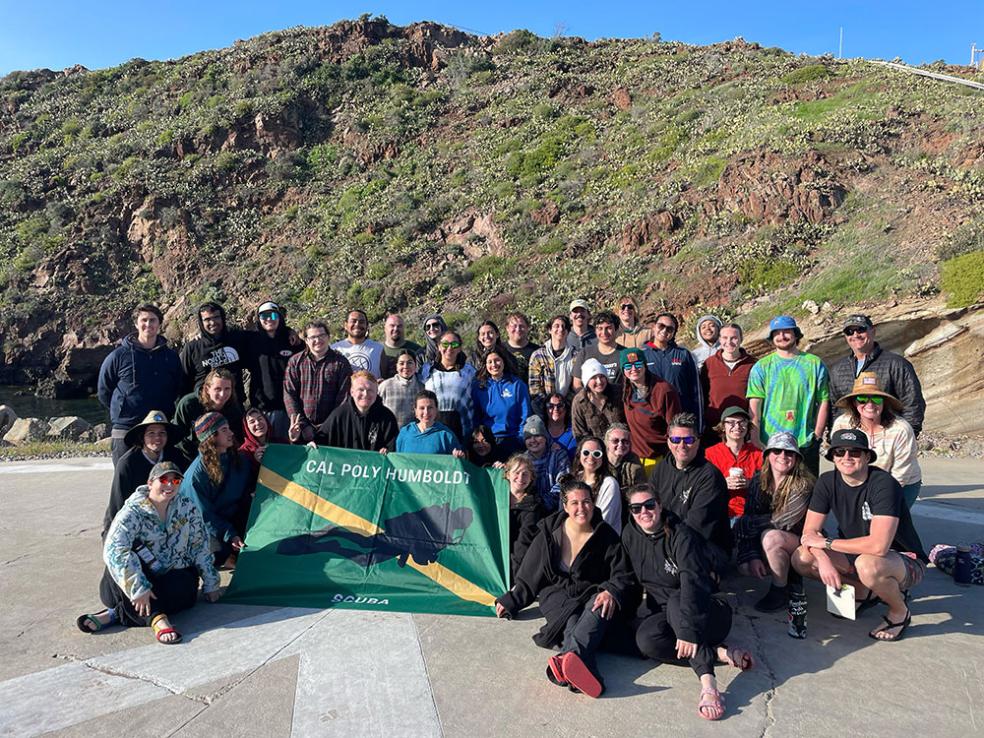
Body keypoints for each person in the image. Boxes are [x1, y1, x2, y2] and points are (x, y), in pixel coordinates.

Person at [622, 486, 754, 721]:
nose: (644, 511)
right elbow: (627, 578)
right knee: (646, 640)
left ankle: (708, 684)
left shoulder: (680, 535)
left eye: (650, 505)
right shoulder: (630, 535)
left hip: (708, 610)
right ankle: (718, 652)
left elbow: (693, 583)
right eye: (636, 508)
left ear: (660, 506)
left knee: (677, 599)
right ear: (630, 512)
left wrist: (688, 631)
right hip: (667, 615)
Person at [495, 480, 632, 699]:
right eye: (575, 503)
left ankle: (567, 661)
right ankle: (580, 663)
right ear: (565, 506)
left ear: (593, 503)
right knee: (572, 619)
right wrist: (513, 599)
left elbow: (622, 573)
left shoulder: (605, 535)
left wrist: (611, 590)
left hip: (590, 593)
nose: (581, 508)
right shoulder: (550, 531)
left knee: (599, 604)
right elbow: (532, 570)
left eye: (586, 501)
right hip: (555, 593)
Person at [792, 429, 928, 642]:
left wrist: (827, 543)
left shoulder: (884, 484)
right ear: (833, 457)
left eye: (855, 452)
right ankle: (863, 591)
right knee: (802, 558)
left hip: (904, 560)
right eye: (840, 452)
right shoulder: (827, 481)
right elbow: (809, 533)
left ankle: (899, 612)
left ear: (867, 456)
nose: (847, 457)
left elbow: (879, 546)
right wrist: (823, 559)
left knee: (868, 565)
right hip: (856, 554)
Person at [79, 461, 220, 644]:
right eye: (164, 479)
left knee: (187, 596)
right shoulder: (132, 511)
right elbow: (114, 550)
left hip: (168, 576)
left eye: (176, 480)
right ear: (150, 483)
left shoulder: (187, 507)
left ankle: (117, 614)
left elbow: (199, 544)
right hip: (130, 580)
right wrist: (138, 587)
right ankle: (158, 619)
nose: (170, 485)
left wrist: (211, 582)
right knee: (141, 580)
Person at [734, 432, 813, 613]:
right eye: (777, 451)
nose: (782, 456)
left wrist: (745, 523)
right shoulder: (757, 480)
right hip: (769, 536)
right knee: (745, 566)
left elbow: (781, 522)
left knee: (771, 537)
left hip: (803, 542)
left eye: (789, 452)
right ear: (768, 455)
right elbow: (749, 517)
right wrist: (753, 555)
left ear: (796, 458)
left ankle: (780, 590)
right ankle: (787, 576)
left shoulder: (802, 485)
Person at [97, 303, 184, 465]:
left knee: (160, 481)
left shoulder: (171, 357)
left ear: (159, 324)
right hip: (126, 427)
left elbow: (178, 388)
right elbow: (104, 390)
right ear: (136, 324)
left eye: (153, 320)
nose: (148, 324)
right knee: (126, 481)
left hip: (159, 428)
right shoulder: (118, 356)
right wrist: (123, 409)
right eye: (144, 320)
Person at [648, 413, 731, 575]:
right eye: (676, 440)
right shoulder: (661, 469)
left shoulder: (709, 477)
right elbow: (649, 507)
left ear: (698, 442)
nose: (682, 445)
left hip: (704, 546)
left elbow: (696, 528)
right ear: (668, 441)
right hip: (666, 539)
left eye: (688, 440)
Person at [746, 315, 830, 476]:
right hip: (771, 443)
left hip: (804, 441)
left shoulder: (814, 363)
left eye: (786, 332)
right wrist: (756, 439)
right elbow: (755, 405)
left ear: (796, 334)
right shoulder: (761, 367)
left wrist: (817, 435)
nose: (782, 336)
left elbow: (823, 401)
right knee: (770, 494)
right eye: (777, 333)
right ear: (771, 337)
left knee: (807, 494)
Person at [832, 372, 922, 509]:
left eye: (876, 399)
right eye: (862, 398)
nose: (870, 404)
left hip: (901, 484)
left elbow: (900, 474)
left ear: (884, 402)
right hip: (858, 480)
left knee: (887, 522)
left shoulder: (901, 429)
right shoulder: (842, 424)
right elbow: (840, 462)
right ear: (854, 402)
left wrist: (880, 499)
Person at [829, 314, 926, 436]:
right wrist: (836, 438)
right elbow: (834, 408)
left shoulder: (896, 364)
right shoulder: (838, 369)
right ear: (845, 337)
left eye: (861, 329)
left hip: (888, 436)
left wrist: (909, 435)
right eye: (850, 332)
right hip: (852, 442)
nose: (855, 335)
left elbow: (913, 403)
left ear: (873, 331)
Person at [179, 413, 252, 568]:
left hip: (232, 518)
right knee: (215, 552)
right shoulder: (196, 476)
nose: (231, 433)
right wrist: (230, 534)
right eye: (224, 430)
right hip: (206, 527)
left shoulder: (239, 459)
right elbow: (204, 516)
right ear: (211, 437)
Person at [102, 410, 183, 537]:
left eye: (162, 433)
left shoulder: (176, 457)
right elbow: (117, 504)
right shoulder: (127, 463)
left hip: (166, 519)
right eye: (151, 433)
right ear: (142, 437)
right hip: (134, 520)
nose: (157, 438)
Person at [283, 321, 352, 444]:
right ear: (306, 340)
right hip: (301, 431)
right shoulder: (295, 362)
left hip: (332, 431)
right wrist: (303, 425)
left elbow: (344, 398)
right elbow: (289, 395)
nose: (318, 340)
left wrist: (327, 426)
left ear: (328, 337)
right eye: (313, 337)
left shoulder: (341, 363)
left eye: (321, 335)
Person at [243, 301, 302, 438]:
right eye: (264, 316)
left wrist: (290, 331)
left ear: (280, 317)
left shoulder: (291, 341)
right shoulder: (250, 341)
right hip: (262, 410)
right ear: (259, 319)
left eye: (273, 315)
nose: (269, 319)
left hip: (290, 407)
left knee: (289, 447)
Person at [642, 312, 704, 433]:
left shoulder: (683, 354)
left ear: (674, 332)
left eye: (670, 328)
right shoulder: (643, 355)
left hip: (681, 419)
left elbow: (695, 391)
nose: (664, 330)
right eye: (661, 326)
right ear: (654, 327)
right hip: (653, 419)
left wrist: (698, 425)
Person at [621, 347, 681, 464]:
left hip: (661, 457)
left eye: (638, 364)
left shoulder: (664, 390)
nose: (633, 369)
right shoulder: (626, 390)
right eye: (628, 366)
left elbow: (676, 427)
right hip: (635, 457)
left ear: (645, 365)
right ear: (623, 370)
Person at [173, 368, 244, 466]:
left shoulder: (233, 408)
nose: (223, 394)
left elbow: (237, 437)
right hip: (191, 459)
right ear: (207, 389)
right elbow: (178, 438)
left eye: (227, 389)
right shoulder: (189, 404)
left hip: (223, 458)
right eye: (218, 389)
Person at [703, 406, 763, 520]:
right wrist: (722, 484)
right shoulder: (710, 454)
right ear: (723, 427)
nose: (737, 426)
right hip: (720, 513)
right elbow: (701, 487)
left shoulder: (757, 454)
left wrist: (751, 483)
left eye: (742, 422)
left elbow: (768, 485)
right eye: (731, 422)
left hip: (750, 514)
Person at [551, 436, 622, 532]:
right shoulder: (571, 480)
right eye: (586, 452)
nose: (591, 457)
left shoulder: (609, 484)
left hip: (600, 539)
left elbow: (604, 521)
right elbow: (562, 514)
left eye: (597, 454)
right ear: (579, 455)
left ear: (603, 457)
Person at [317, 371, 399, 452]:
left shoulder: (387, 417)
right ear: (352, 392)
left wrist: (387, 450)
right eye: (361, 389)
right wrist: (313, 444)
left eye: (370, 390)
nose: (365, 394)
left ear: (377, 392)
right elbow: (321, 440)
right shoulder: (339, 415)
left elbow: (393, 448)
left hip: (372, 464)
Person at [179, 301, 247, 396]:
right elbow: (182, 382)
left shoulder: (237, 339)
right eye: (207, 319)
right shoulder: (192, 348)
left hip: (235, 406)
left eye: (216, 317)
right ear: (201, 322)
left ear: (222, 318)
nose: (212, 322)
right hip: (204, 406)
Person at [699, 322, 756, 437]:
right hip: (714, 427)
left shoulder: (753, 364)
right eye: (725, 338)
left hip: (741, 428)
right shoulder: (709, 363)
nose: (729, 342)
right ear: (719, 339)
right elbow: (702, 395)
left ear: (741, 339)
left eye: (734, 338)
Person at [472, 348, 530, 455]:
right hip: (487, 442)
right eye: (490, 362)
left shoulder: (517, 385)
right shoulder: (479, 387)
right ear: (485, 365)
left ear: (504, 361)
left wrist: (520, 439)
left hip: (512, 439)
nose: (494, 364)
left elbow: (525, 415)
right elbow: (476, 416)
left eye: (497, 360)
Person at [422, 330, 476, 442]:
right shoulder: (427, 370)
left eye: (454, 344)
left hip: (462, 430)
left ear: (460, 348)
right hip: (432, 428)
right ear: (438, 346)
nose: (450, 348)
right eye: (445, 344)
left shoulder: (470, 371)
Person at [502, 454, 546, 577]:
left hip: (513, 568)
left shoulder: (533, 507)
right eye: (516, 472)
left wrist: (514, 578)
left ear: (531, 478)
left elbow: (522, 545)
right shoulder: (496, 497)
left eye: (525, 474)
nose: (520, 478)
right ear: (507, 474)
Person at [528, 315, 576, 411]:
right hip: (543, 408)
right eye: (556, 326)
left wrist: (562, 405)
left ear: (568, 331)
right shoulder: (538, 355)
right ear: (550, 330)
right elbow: (534, 387)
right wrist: (550, 406)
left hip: (568, 408)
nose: (560, 329)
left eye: (564, 326)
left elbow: (577, 386)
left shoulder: (576, 355)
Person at [396, 390, 465, 456]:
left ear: (436, 410)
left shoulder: (446, 435)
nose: (426, 412)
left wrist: (459, 457)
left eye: (430, 408)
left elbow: (457, 464)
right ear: (415, 411)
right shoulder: (405, 432)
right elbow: (398, 460)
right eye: (422, 408)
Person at [522, 415, 570, 509]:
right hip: (529, 508)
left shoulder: (559, 455)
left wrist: (542, 503)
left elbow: (564, 483)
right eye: (528, 437)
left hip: (556, 509)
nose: (533, 440)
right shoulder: (522, 460)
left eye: (537, 435)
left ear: (545, 437)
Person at [571, 358, 625, 441]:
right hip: (595, 449)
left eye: (602, 376)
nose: (599, 381)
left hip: (620, 445)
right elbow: (579, 433)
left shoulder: (618, 392)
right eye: (593, 378)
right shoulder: (579, 401)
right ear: (587, 381)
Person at [571, 311, 623, 391]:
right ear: (595, 330)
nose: (604, 333)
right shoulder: (585, 353)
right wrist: (588, 399)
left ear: (616, 330)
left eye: (608, 328)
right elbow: (577, 383)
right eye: (600, 328)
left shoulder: (624, 353)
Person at [378, 350, 425, 429]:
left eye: (410, 363)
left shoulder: (422, 388)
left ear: (415, 365)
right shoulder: (385, 386)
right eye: (401, 363)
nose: (405, 366)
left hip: (414, 434)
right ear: (396, 366)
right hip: (390, 434)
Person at [331, 309, 385, 378]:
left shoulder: (379, 349)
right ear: (345, 325)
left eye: (361, 322)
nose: (357, 324)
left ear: (367, 326)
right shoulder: (335, 349)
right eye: (353, 321)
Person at [239, 407, 287, 479]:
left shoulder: (279, 442)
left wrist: (294, 440)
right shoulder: (244, 452)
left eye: (260, 419)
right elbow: (245, 481)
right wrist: (256, 462)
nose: (258, 423)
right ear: (247, 428)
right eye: (252, 422)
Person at [604, 423, 647, 500]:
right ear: (607, 443)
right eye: (615, 441)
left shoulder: (635, 465)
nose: (620, 444)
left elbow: (641, 492)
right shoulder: (598, 461)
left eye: (625, 441)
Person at [379, 313, 423, 380]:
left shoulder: (416, 350)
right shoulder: (377, 350)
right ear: (385, 328)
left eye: (399, 326)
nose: (396, 329)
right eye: (392, 325)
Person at [504, 312, 538, 381]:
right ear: (507, 328)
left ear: (527, 328)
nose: (518, 329)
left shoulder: (537, 351)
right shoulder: (499, 349)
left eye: (521, 326)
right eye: (514, 326)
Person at [544, 392, 577, 460]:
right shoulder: (541, 430)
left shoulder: (574, 430)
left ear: (566, 409)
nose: (555, 409)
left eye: (560, 405)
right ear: (546, 409)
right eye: (550, 406)